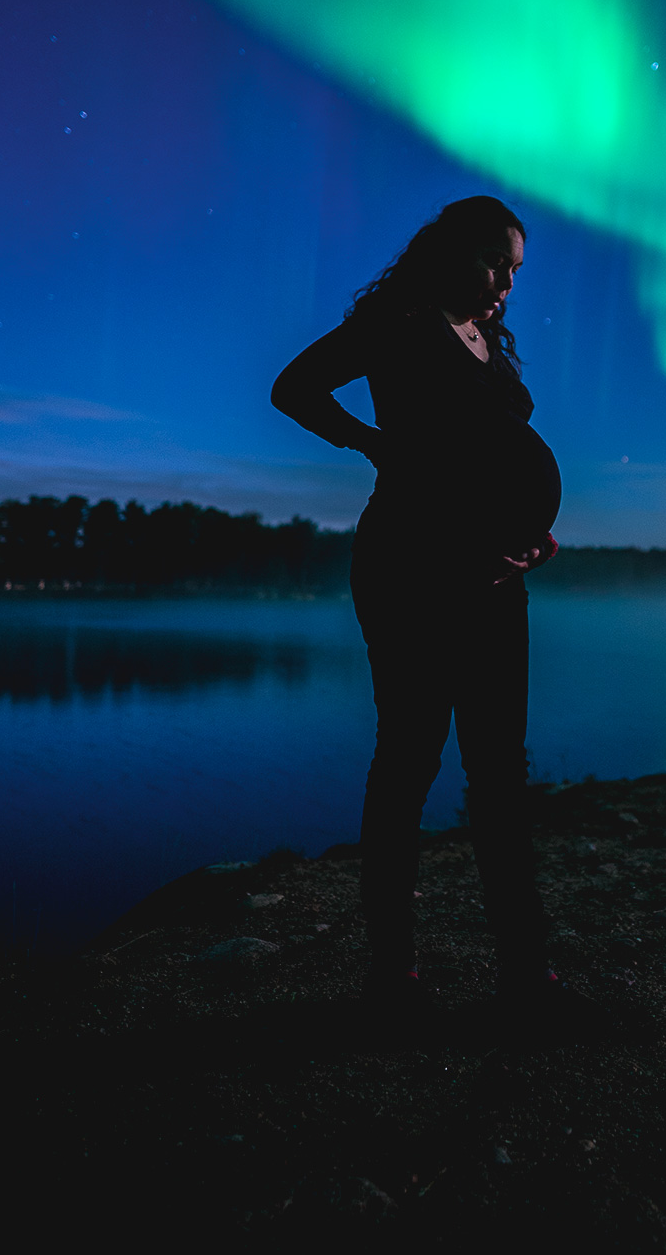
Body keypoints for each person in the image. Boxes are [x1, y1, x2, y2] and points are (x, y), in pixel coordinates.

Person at [271, 195, 563, 1011]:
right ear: (449, 251)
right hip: (411, 570)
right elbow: (293, 387)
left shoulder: (491, 343)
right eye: (493, 262)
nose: (505, 282)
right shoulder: (401, 320)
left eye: (514, 270)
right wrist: (373, 444)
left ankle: (525, 976)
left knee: (502, 774)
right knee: (408, 764)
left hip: (496, 580)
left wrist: (535, 536)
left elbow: (505, 457)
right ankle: (392, 976)